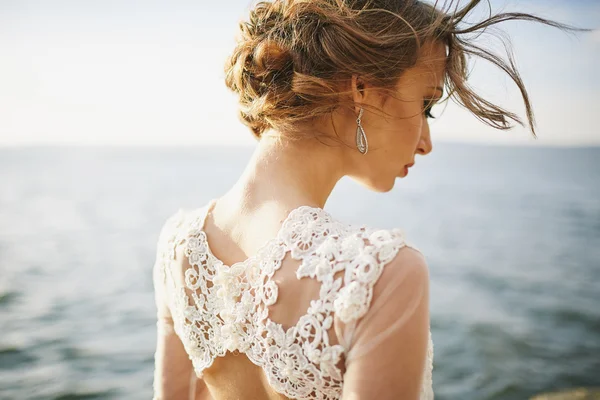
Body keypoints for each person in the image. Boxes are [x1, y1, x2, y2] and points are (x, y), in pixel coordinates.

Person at [151, 1, 576, 399]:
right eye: (425, 105)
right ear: (361, 88)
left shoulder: (180, 247)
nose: (426, 142)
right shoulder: (380, 273)